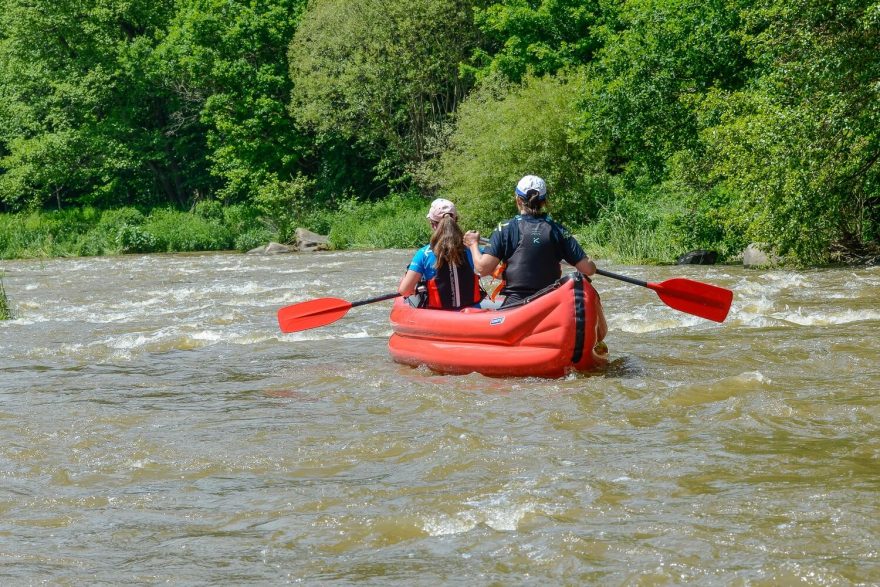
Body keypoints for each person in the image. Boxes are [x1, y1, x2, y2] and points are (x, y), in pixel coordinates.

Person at [464, 175, 607, 339]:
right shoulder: (557, 230)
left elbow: (482, 269)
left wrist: (473, 244)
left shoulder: (505, 228)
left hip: (515, 305)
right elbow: (588, 269)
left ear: (518, 199)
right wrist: (593, 265)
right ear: (544, 202)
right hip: (549, 305)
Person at [398, 198, 484, 309]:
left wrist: (415, 287)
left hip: (439, 317)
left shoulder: (424, 254)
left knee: (405, 281)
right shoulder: (473, 248)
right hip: (473, 314)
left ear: (432, 224)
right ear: (456, 220)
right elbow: (496, 271)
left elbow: (404, 291)